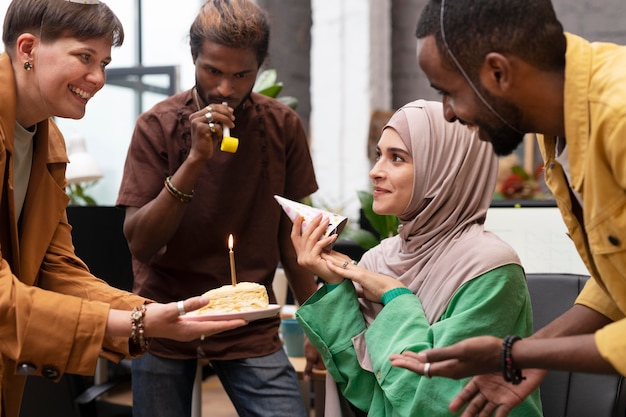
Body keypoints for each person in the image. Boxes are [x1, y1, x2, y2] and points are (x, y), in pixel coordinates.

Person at [0, 1, 247, 417]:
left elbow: (55, 268)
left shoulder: (50, 142)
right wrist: (135, 323)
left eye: (104, 62)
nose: (98, 78)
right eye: (84, 57)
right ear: (27, 49)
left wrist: (150, 312)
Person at [389, 0, 626, 415]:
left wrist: (515, 355)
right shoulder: (559, 128)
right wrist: (531, 351)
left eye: (448, 92)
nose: (448, 113)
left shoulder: (619, 118)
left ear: (498, 71)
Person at [115, 0, 319, 416]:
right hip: (164, 314)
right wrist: (193, 162)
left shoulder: (282, 126)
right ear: (194, 58)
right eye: (213, 70)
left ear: (259, 67)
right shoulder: (157, 126)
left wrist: (317, 323)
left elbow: (293, 236)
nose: (225, 88)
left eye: (241, 74)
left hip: (248, 320)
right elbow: (140, 242)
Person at [290, 99, 542, 416]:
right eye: (379, 155)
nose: (375, 172)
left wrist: (396, 298)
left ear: (444, 170)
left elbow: (437, 403)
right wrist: (334, 285)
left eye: (397, 158)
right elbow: (368, 393)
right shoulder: (376, 261)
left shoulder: (490, 269)